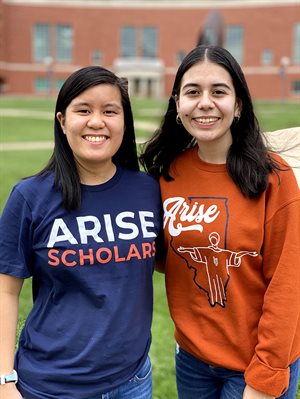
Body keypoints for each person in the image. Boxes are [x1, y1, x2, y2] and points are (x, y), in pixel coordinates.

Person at [139, 45, 300, 399]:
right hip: (193, 361)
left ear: (238, 104)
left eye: (219, 92)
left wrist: (267, 373)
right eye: (193, 92)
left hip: (256, 364)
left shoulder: (274, 176)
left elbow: (288, 282)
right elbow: (165, 258)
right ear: (177, 105)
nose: (205, 102)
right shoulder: (167, 173)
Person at [0, 66, 162, 399]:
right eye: (83, 110)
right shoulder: (30, 197)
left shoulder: (148, 191)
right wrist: (4, 379)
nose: (96, 122)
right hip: (51, 386)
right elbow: (5, 292)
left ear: (124, 121)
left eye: (110, 111)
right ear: (62, 120)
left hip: (132, 382)